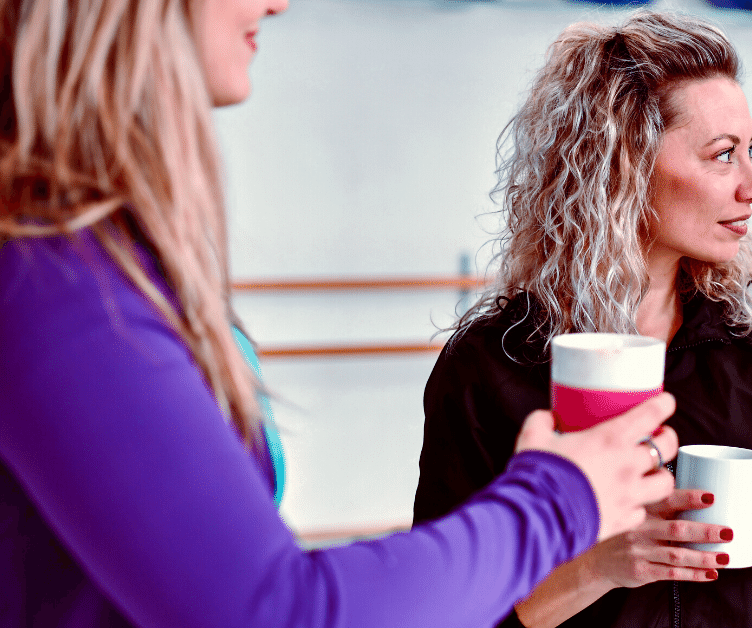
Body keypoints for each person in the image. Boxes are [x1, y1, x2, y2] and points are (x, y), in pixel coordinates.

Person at [0, 1, 681, 626]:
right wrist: (559, 501)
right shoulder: (48, 272)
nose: (276, 2)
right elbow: (276, 612)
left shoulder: (94, 258)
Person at [414, 12, 752, 628]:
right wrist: (598, 566)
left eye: (751, 151)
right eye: (723, 156)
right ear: (621, 165)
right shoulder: (493, 365)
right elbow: (443, 607)